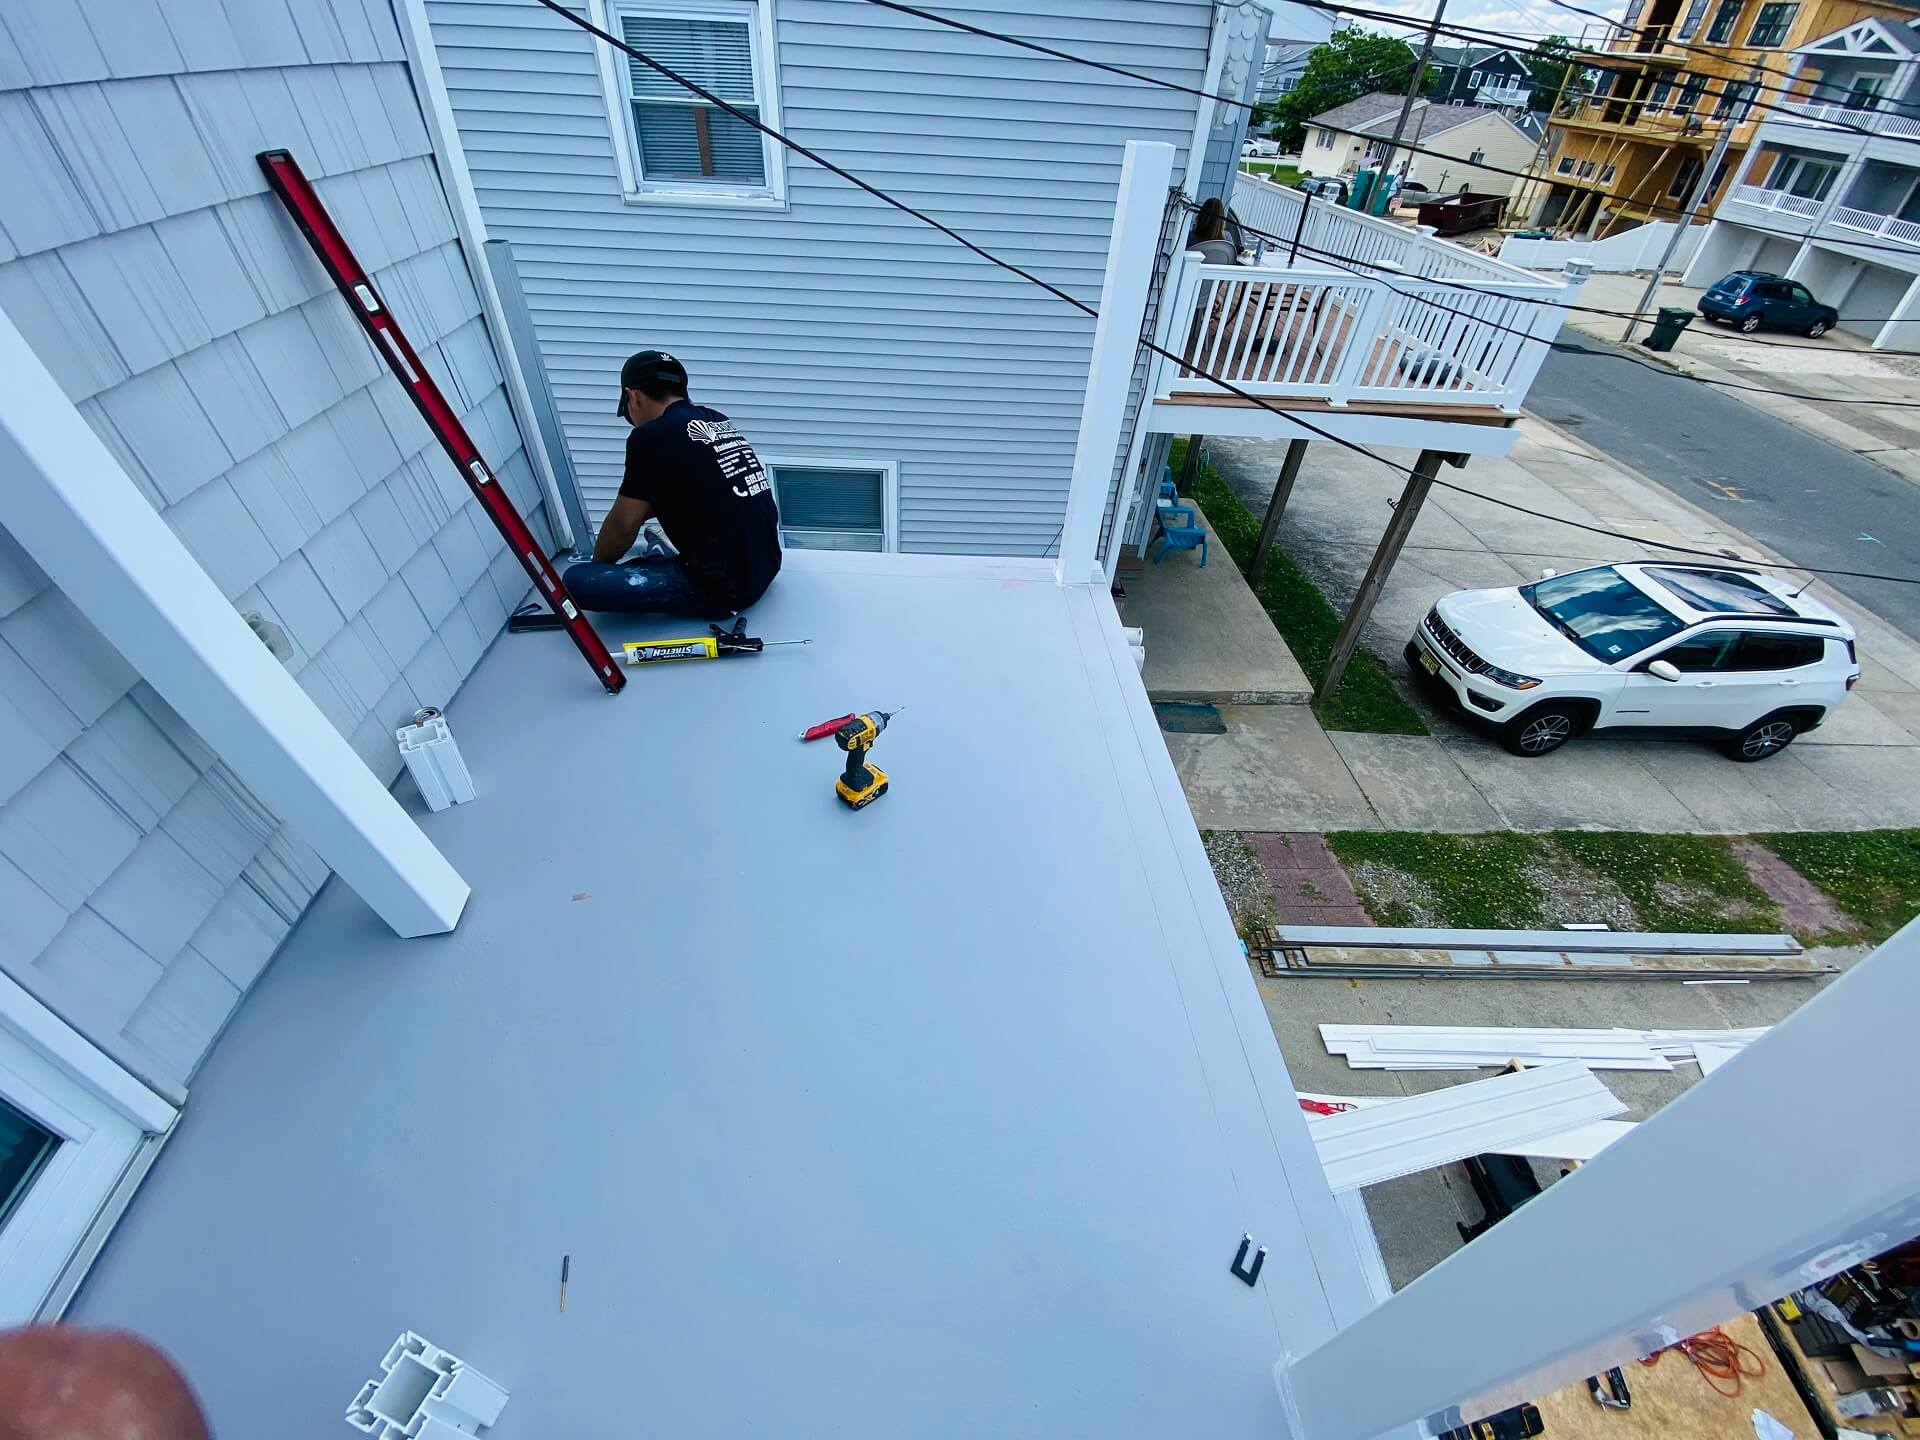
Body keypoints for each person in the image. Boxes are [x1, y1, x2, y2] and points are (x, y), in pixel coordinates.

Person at [563, 351, 781, 618]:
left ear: (633, 397)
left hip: (725, 589)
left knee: (578, 581)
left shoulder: (650, 436)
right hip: (766, 565)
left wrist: (599, 569)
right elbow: (707, 492)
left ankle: (662, 564)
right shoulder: (716, 419)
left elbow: (623, 526)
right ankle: (663, 558)